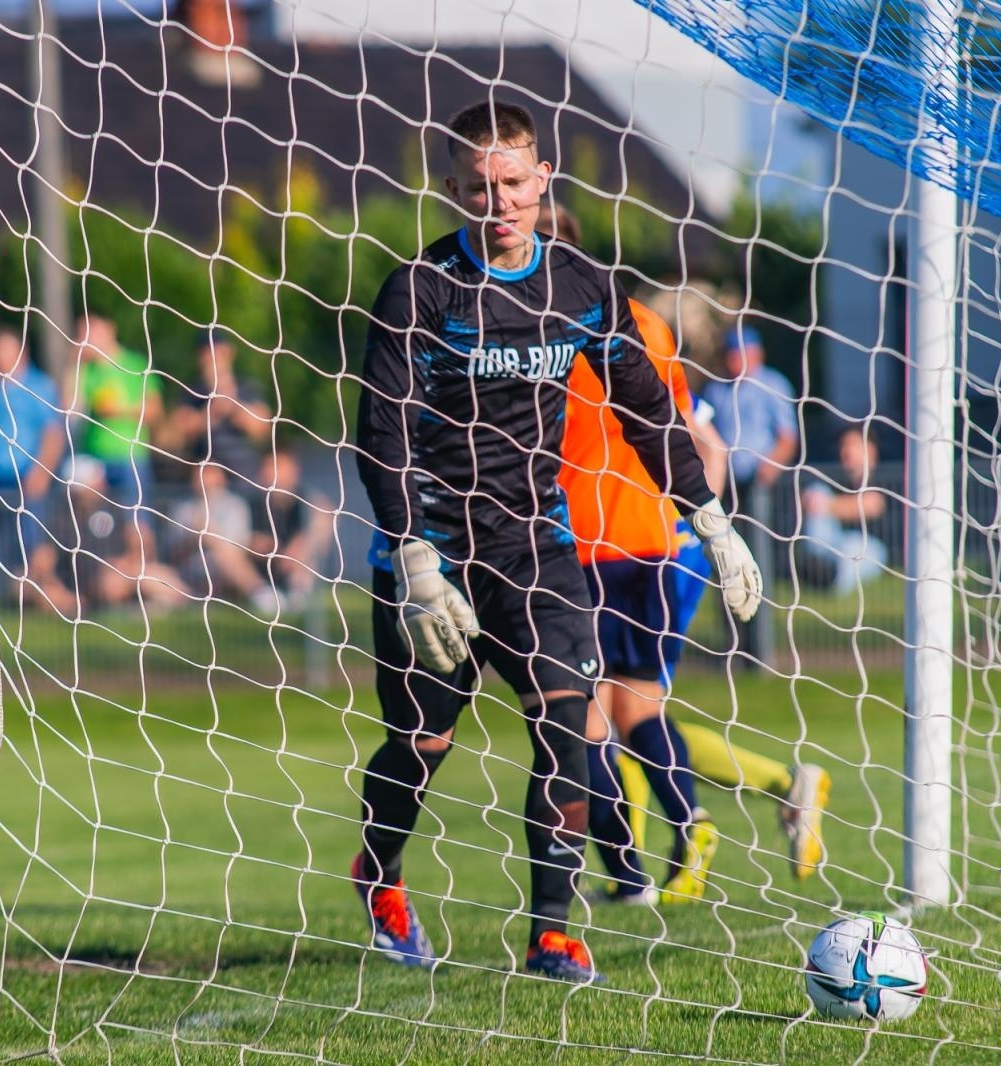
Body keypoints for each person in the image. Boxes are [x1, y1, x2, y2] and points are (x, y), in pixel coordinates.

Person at [351, 100, 760, 983]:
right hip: (432, 553)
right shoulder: (418, 291)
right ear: (450, 187)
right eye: (478, 186)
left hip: (537, 546)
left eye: (513, 183)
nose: (498, 201)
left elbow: (649, 410)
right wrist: (412, 554)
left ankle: (552, 933)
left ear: (543, 181)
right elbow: (378, 434)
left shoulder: (581, 286)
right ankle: (378, 875)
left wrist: (710, 520)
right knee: (422, 745)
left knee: (567, 724)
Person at [561, 298, 828, 906]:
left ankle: (655, 854)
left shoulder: (546, 331)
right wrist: (702, 525)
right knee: (629, 715)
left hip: (603, 552)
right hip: (656, 551)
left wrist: (695, 527)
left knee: (604, 719)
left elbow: (705, 444)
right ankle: (658, 850)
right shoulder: (642, 326)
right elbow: (704, 442)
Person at [701, 324, 798, 659]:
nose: (736, 360)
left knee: (757, 561)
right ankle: (732, 645)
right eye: (730, 353)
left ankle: (762, 647)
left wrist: (769, 467)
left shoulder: (773, 386)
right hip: (723, 489)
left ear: (757, 353)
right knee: (723, 558)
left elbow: (787, 437)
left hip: (758, 487)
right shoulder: (715, 390)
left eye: (742, 352)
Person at [0, 328, 73, 614]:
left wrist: (41, 471)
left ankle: (51, 599)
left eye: (5, 349)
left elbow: (54, 433)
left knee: (35, 549)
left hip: (29, 482)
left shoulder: (40, 387)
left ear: (21, 353)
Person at [61, 457, 188, 612]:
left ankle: (186, 598)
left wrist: (129, 559)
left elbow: (135, 537)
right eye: (95, 479)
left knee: (150, 572)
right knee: (123, 581)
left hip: (125, 569)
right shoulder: (64, 520)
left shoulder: (112, 507)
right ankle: (184, 600)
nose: (102, 484)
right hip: (93, 580)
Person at [66, 314, 164, 504]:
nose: (87, 337)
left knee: (135, 524)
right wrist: (75, 364)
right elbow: (68, 408)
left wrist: (119, 410)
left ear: (109, 330)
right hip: (94, 458)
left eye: (92, 330)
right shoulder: (87, 370)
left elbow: (155, 410)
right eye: (81, 333)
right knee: (91, 519)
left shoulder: (135, 365)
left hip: (130, 457)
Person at [798, 423, 890, 593]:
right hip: (832, 544)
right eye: (843, 446)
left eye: (853, 445)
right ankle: (816, 563)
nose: (846, 451)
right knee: (817, 492)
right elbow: (811, 502)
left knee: (854, 547)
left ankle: (828, 579)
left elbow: (871, 505)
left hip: (870, 549)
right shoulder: (834, 480)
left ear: (871, 450)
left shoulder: (885, 478)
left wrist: (827, 505)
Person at [165, 332, 274, 473]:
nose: (213, 358)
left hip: (245, 474)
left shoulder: (247, 387)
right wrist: (212, 410)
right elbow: (176, 434)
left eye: (218, 352)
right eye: (208, 353)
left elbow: (262, 428)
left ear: (230, 352)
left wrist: (231, 402)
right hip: (205, 474)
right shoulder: (192, 391)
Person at [242, 449, 334, 613]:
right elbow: (241, 538)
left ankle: (298, 592)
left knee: (317, 529)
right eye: (270, 467)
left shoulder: (306, 500)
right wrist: (259, 545)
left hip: (295, 563)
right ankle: (263, 595)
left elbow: (323, 519)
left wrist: (299, 546)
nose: (274, 474)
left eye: (280, 468)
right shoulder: (250, 503)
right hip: (261, 565)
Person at [167, 461, 263, 609]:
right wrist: (194, 538)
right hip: (190, 571)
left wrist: (209, 536)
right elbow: (173, 555)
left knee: (221, 557)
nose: (205, 480)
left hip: (224, 569)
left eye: (209, 474)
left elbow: (239, 547)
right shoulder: (183, 510)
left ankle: (261, 594)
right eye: (200, 474)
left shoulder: (235, 506)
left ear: (221, 477)